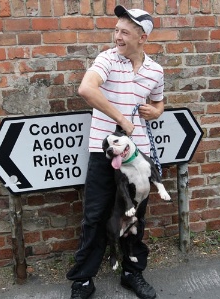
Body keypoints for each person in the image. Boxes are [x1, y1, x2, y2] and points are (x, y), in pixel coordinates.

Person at [66, 5, 164, 299]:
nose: (117, 37)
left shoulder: (155, 71)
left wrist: (155, 112)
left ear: (142, 38)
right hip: (105, 153)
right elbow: (86, 89)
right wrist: (121, 119)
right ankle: (83, 279)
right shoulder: (106, 59)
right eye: (116, 30)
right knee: (95, 216)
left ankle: (132, 274)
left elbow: (160, 103)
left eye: (124, 32)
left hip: (138, 158)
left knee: (135, 218)